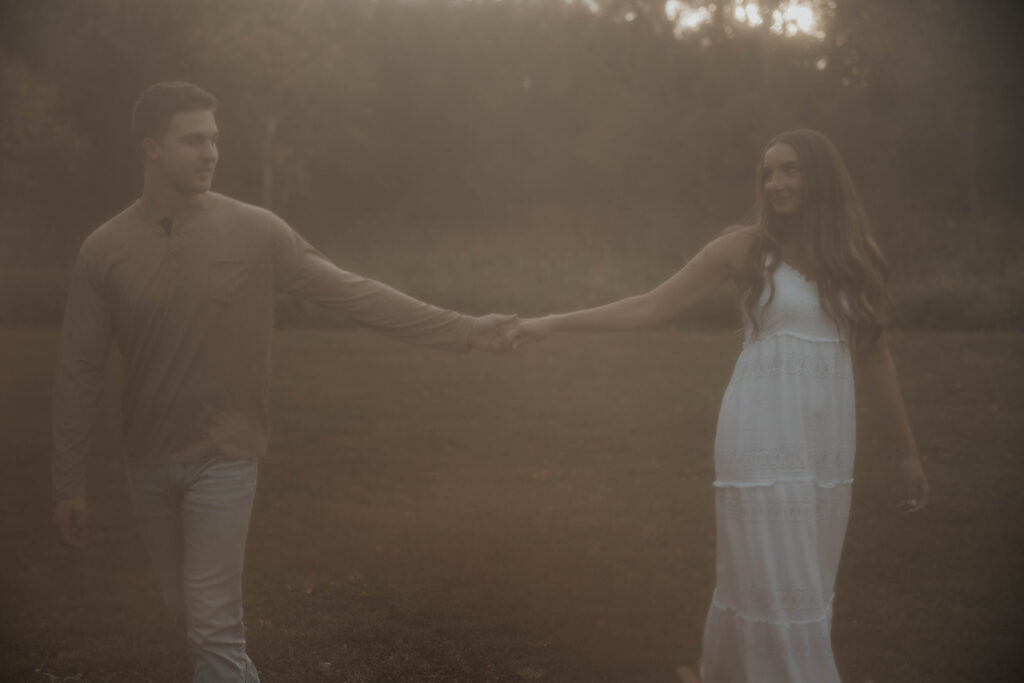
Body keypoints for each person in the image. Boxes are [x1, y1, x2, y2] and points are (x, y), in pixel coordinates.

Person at [51, 81, 515, 683]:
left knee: (213, 626)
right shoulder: (104, 249)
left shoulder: (256, 231)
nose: (211, 152)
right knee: (186, 612)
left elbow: (354, 293)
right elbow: (77, 370)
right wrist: (67, 483)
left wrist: (465, 330)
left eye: (214, 139)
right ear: (151, 149)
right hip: (147, 461)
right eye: (193, 140)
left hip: (225, 455)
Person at [507, 129, 929, 682]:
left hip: (826, 448)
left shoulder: (857, 256)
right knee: (782, 585)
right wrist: (553, 322)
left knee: (806, 579)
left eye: (789, 169)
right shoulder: (746, 247)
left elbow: (877, 357)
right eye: (768, 172)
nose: (775, 183)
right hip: (759, 436)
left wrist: (908, 453)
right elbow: (650, 307)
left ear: (820, 176)